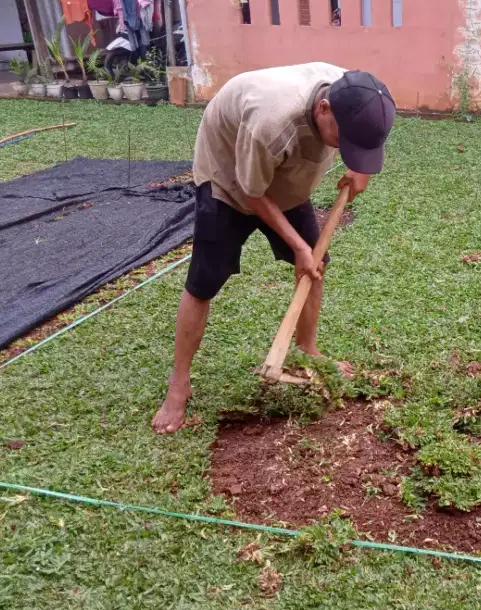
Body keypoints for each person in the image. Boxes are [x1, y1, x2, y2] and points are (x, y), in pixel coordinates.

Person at [151, 63, 396, 434]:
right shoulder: (271, 122)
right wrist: (298, 246)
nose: (344, 149)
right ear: (323, 108)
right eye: (343, 140)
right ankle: (179, 383)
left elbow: (370, 137)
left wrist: (362, 168)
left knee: (316, 265)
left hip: (285, 173)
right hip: (230, 180)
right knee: (204, 281)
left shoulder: (360, 96)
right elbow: (252, 192)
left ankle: (307, 350)